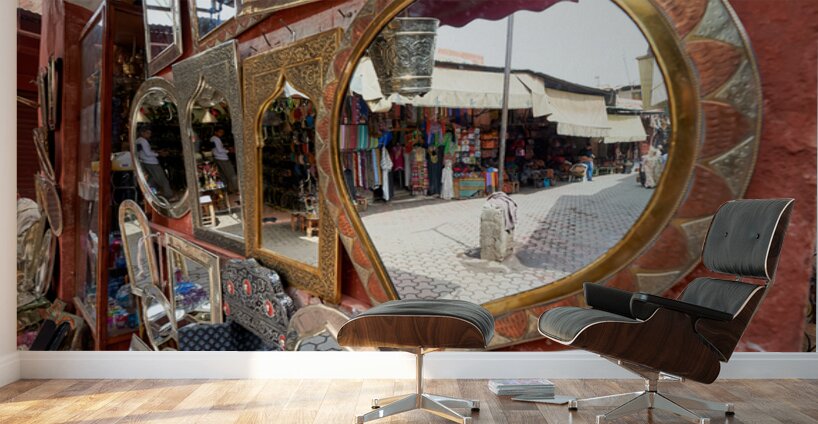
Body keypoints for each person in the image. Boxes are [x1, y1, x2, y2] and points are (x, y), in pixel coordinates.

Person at [134, 127, 174, 200]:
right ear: (142, 133)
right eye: (148, 133)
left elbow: (143, 152)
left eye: (150, 133)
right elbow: (148, 153)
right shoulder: (144, 141)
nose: (149, 135)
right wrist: (159, 154)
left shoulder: (137, 141)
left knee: (152, 179)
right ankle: (169, 195)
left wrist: (157, 152)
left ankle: (150, 194)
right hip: (151, 162)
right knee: (163, 180)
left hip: (144, 161)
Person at [211, 127, 239, 194]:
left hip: (218, 158)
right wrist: (229, 150)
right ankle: (236, 189)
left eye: (222, 132)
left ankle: (225, 190)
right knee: (232, 175)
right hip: (223, 159)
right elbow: (220, 150)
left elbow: (218, 149)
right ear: (215, 132)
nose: (222, 134)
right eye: (220, 132)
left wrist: (226, 148)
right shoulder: (216, 139)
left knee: (223, 175)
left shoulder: (212, 139)